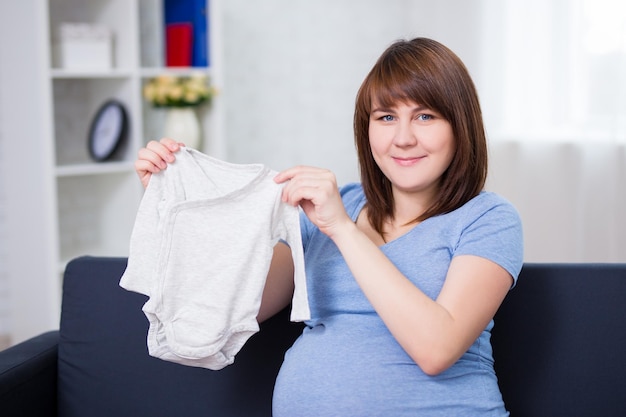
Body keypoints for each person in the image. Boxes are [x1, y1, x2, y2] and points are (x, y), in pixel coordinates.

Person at [134, 37, 523, 416]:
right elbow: (234, 307)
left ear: (460, 126)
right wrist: (174, 206)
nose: (403, 138)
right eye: (386, 117)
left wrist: (342, 229)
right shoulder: (340, 207)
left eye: (425, 116)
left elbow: (436, 350)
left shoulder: (488, 218)